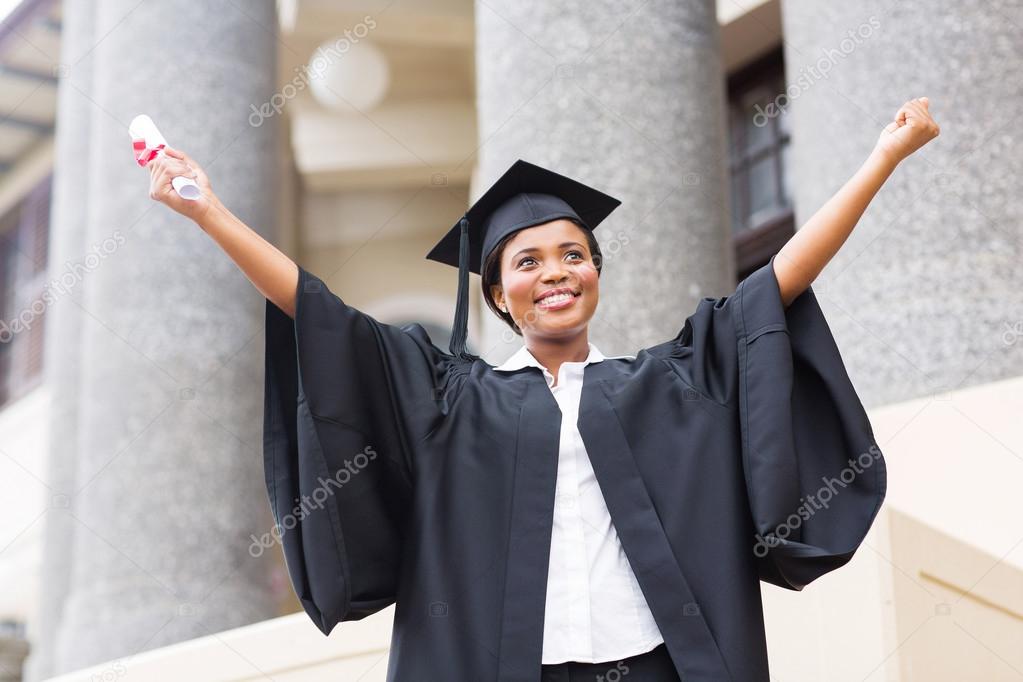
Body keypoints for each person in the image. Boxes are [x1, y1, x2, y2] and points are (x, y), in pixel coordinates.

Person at [148, 97, 940, 681]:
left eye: (572, 254)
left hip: (656, 662)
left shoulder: (663, 382)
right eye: (526, 262)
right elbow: (322, 314)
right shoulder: (451, 401)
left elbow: (773, 288)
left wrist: (881, 159)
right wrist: (208, 211)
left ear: (595, 272)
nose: (554, 272)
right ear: (497, 294)